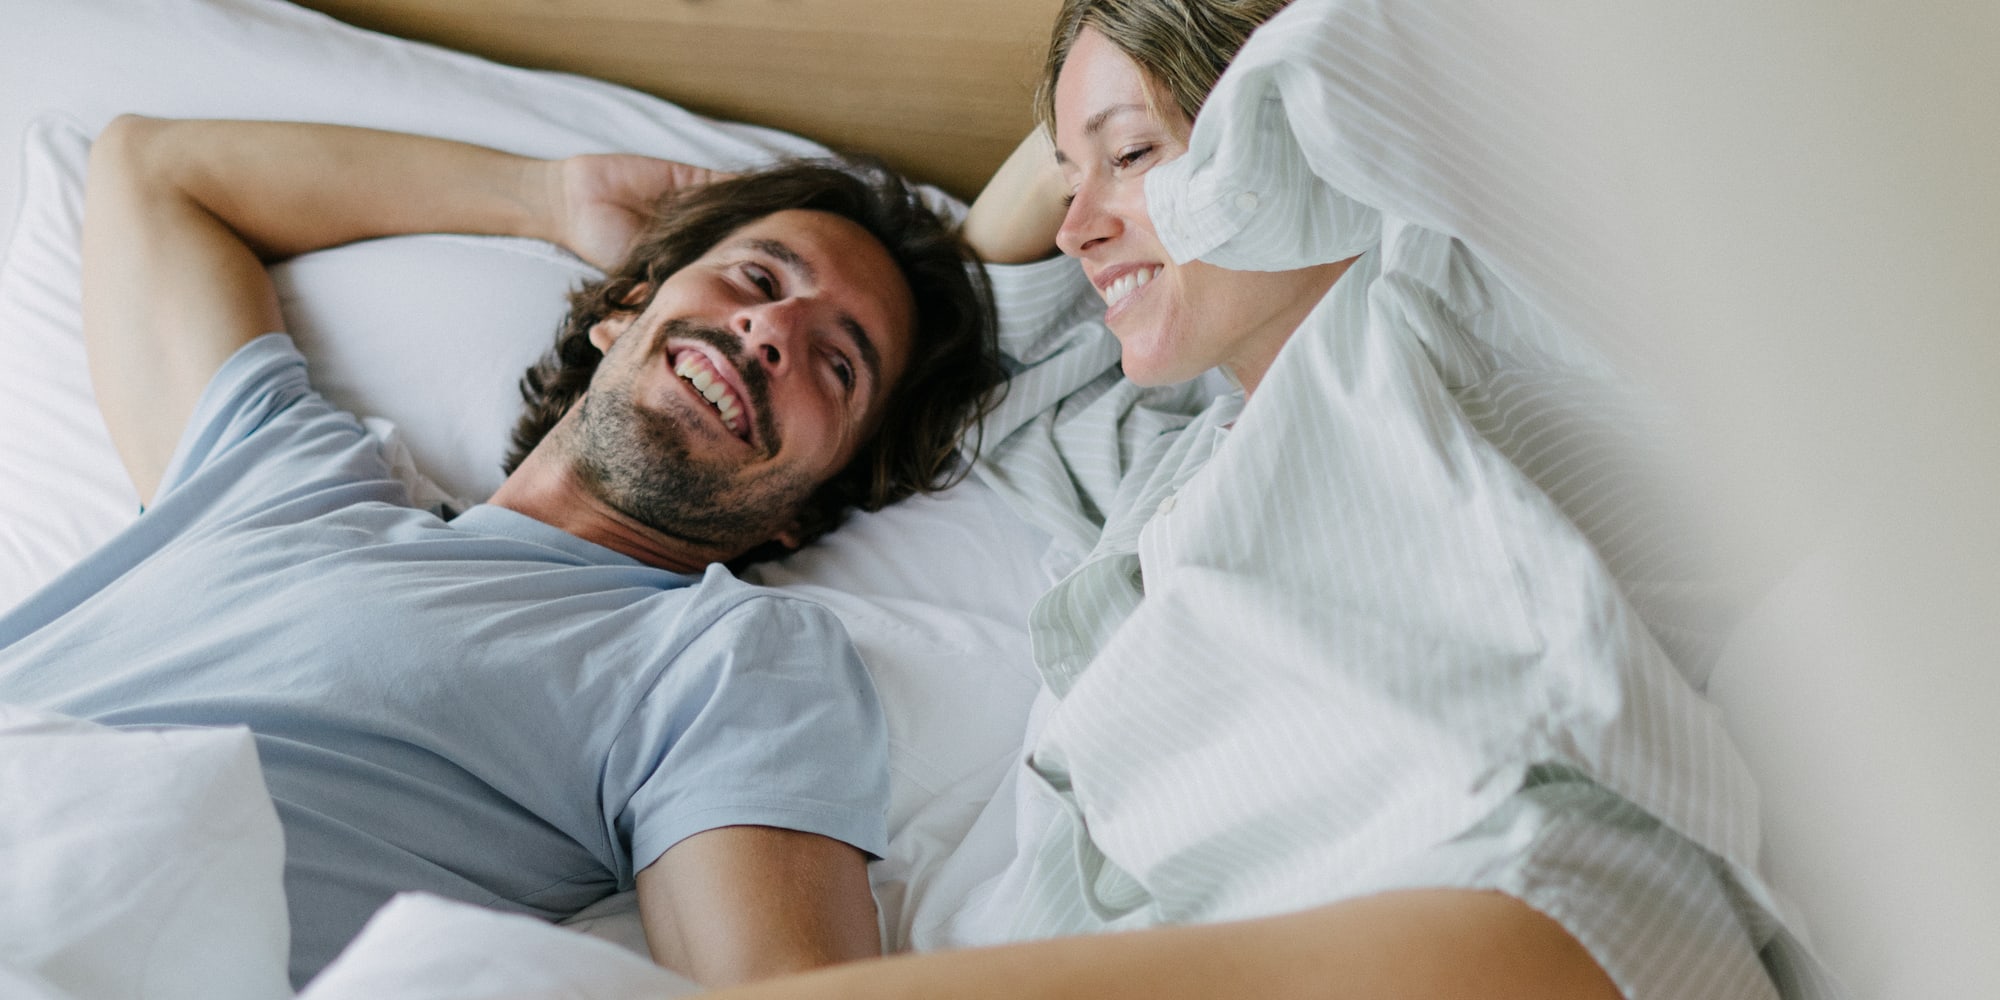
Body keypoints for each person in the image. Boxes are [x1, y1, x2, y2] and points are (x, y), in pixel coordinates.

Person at [689, 1, 1835, 998]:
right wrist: (1105, 142)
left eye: (1131, 157)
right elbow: (984, 351)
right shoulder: (1155, 466)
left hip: (1510, 888)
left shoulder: (1467, 284)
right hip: (1261, 916)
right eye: (1063, 178)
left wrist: (1167, 71)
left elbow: (1376, 45)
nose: (1075, 222)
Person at [0, 116, 1002, 988]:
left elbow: (779, 990)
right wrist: (548, 196)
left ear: (800, 513)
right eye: (755, 275)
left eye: (836, 364)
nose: (772, 327)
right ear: (623, 312)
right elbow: (154, 169)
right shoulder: (282, 471)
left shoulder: (715, 658)